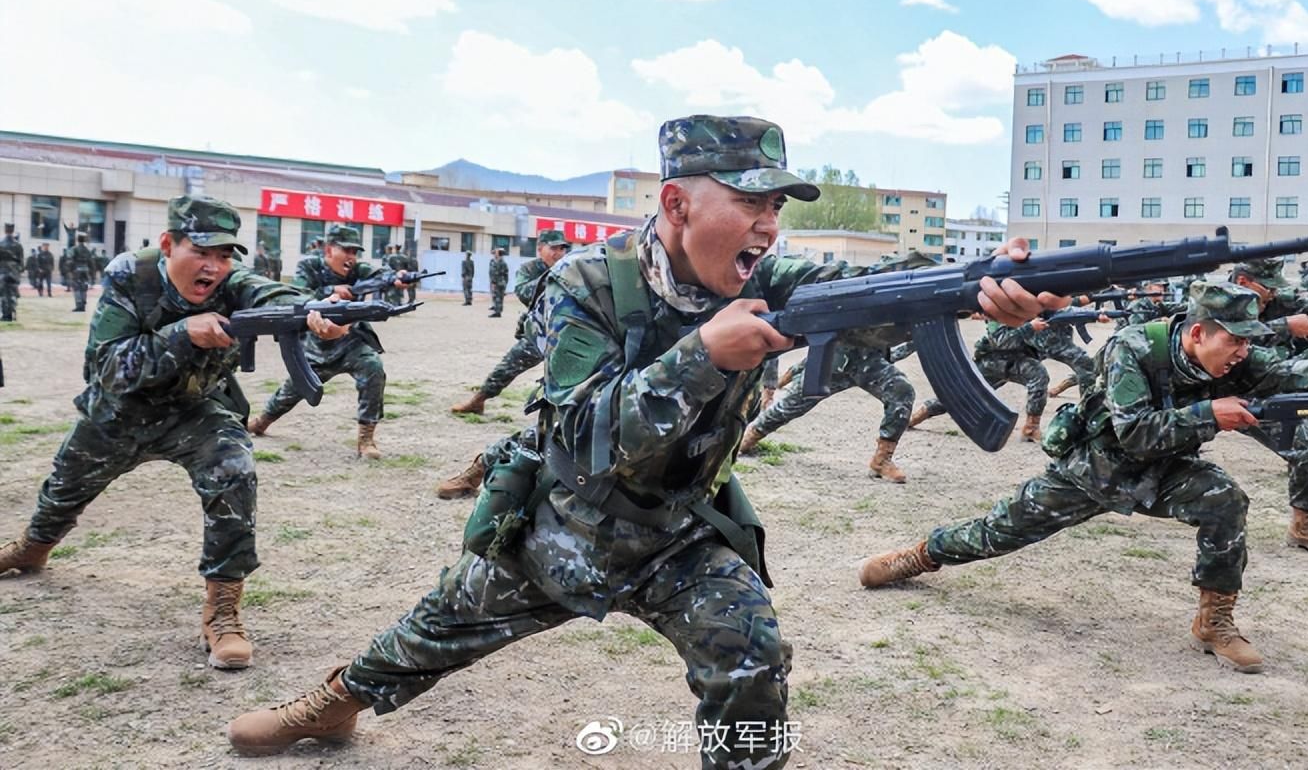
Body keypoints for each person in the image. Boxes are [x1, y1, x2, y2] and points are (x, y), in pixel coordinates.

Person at [226, 114, 1056, 762]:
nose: (767, 225)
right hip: (560, 526)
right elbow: (584, 433)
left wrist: (968, 293)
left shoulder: (771, 278)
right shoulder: (584, 283)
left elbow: (870, 289)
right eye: (749, 202)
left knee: (751, 653)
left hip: (681, 533)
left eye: (775, 207)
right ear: (677, 202)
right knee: (432, 631)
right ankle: (333, 704)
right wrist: (702, 355)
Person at [859, 282, 1308, 674]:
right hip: (1094, 469)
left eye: (1250, 344)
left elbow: (1304, 374)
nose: (1244, 352)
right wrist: (1208, 415)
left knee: (1224, 498)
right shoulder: (1131, 348)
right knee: (1000, 530)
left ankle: (1213, 621)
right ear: (1198, 333)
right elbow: (1133, 433)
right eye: (1236, 343)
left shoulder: (1235, 359)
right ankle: (923, 554)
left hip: (1164, 470)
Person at [0, 195, 347, 669]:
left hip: (195, 410)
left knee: (234, 469)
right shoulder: (132, 276)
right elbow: (109, 367)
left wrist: (312, 313)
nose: (213, 267)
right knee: (65, 487)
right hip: (120, 411)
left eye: (224, 255)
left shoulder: (234, 282)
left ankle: (222, 606)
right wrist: (183, 334)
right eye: (201, 252)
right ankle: (33, 548)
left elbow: (270, 295)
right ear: (168, 244)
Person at [248, 226, 404, 459]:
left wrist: (397, 278)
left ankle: (366, 439)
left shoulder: (358, 270)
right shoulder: (309, 266)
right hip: (316, 347)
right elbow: (298, 293)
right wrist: (331, 291)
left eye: (355, 252)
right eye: (347, 251)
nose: (352, 257)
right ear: (330, 250)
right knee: (292, 390)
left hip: (350, 341)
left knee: (373, 367)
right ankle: (263, 421)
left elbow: (380, 275)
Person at [1229, 259, 1308, 556]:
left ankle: (1303, 528)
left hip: (1263, 386)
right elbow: (1218, 338)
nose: (1272, 294)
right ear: (1243, 283)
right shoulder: (1218, 299)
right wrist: (1285, 327)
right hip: (1222, 390)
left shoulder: (1273, 299)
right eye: (1267, 287)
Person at [737, 341, 916, 483]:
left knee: (902, 391)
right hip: (835, 356)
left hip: (870, 357)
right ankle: (748, 438)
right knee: (790, 407)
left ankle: (882, 460)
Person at [447, 230, 571, 416]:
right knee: (509, 366)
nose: (558, 253)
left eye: (562, 249)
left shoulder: (574, 269)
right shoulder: (530, 269)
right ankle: (478, 400)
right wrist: (552, 277)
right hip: (541, 333)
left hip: (569, 332)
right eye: (553, 248)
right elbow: (524, 294)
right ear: (540, 249)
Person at [907, 318, 1050, 441]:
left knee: (1039, 376)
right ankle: (917, 416)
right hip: (995, 362)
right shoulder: (998, 309)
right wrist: (1030, 327)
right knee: (961, 393)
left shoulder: (1036, 306)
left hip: (1019, 360)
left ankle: (1031, 428)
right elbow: (1000, 342)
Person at [66, 231, 99, 312]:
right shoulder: (87, 250)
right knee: (84, 288)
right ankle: (83, 304)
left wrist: (69, 270)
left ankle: (79, 305)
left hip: (77, 270)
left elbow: (70, 260)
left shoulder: (74, 249)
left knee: (76, 288)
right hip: (86, 270)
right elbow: (91, 262)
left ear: (77, 240)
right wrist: (92, 274)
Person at [0, 223, 22, 321]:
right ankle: (13, 312)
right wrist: (18, 272)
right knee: (13, 293)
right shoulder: (18, 245)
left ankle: (6, 315)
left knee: (4, 294)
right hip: (14, 272)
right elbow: (21, 261)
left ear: (5, 230)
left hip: (3, 271)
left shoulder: (1, 243)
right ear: (12, 230)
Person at [488, 247, 509, 317]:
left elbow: (495, 273)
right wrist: (505, 283)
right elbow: (506, 275)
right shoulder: (504, 263)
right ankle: (499, 311)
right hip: (502, 282)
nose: (495, 254)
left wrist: (493, 283)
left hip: (498, 282)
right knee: (500, 298)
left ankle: (497, 312)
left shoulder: (498, 263)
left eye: (496, 253)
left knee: (497, 297)